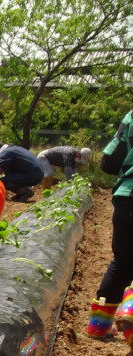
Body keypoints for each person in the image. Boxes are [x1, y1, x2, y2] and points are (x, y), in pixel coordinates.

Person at [88, 109, 133, 342]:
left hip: (128, 197)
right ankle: (131, 312)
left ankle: (99, 325)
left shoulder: (131, 116)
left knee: (122, 261)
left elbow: (108, 161)